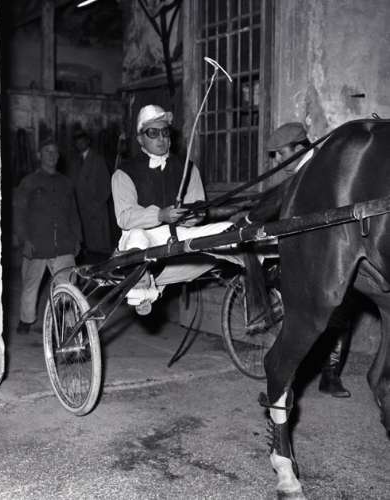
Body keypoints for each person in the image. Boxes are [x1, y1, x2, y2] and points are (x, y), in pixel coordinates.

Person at [243, 122, 353, 397]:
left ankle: (323, 374)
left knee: (335, 312)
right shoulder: (309, 167)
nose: (278, 162)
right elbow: (278, 197)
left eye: (281, 154)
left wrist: (247, 221)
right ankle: (323, 375)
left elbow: (280, 197)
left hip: (327, 253)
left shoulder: (314, 168)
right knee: (333, 311)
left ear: (299, 148)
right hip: (318, 250)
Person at [112, 104, 243, 315]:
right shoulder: (124, 172)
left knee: (228, 230)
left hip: (177, 235)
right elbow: (125, 217)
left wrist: (192, 215)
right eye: (152, 133)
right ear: (140, 139)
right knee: (137, 237)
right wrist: (160, 215)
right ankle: (142, 295)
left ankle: (262, 267)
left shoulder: (188, 168)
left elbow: (197, 211)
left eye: (165, 132)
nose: (161, 138)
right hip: (143, 237)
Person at [14, 140, 82, 335]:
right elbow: (19, 213)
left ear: (58, 156)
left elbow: (73, 213)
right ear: (39, 155)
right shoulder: (29, 182)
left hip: (63, 243)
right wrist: (24, 240)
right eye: (47, 151)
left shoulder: (66, 183)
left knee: (68, 285)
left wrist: (77, 238)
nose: (52, 155)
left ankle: (70, 324)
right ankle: (26, 319)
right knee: (30, 284)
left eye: (55, 152)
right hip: (36, 244)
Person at [70, 128, 112, 260]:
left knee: (99, 248)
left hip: (96, 212)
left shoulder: (98, 160)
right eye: (77, 141)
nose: (79, 143)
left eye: (82, 140)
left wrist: (96, 205)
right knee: (85, 249)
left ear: (88, 141)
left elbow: (106, 187)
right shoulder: (75, 162)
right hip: (80, 212)